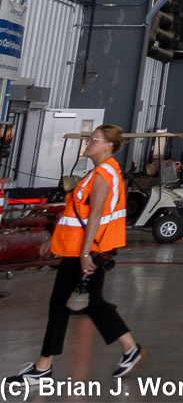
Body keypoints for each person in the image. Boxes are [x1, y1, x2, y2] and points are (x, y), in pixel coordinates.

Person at [8, 124, 146, 385]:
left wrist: (84, 254)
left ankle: (44, 368)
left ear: (108, 146)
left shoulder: (103, 174)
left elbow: (95, 214)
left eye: (94, 140)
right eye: (89, 139)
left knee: (66, 303)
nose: (88, 143)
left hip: (88, 250)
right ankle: (128, 348)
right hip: (86, 248)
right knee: (86, 303)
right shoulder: (103, 171)